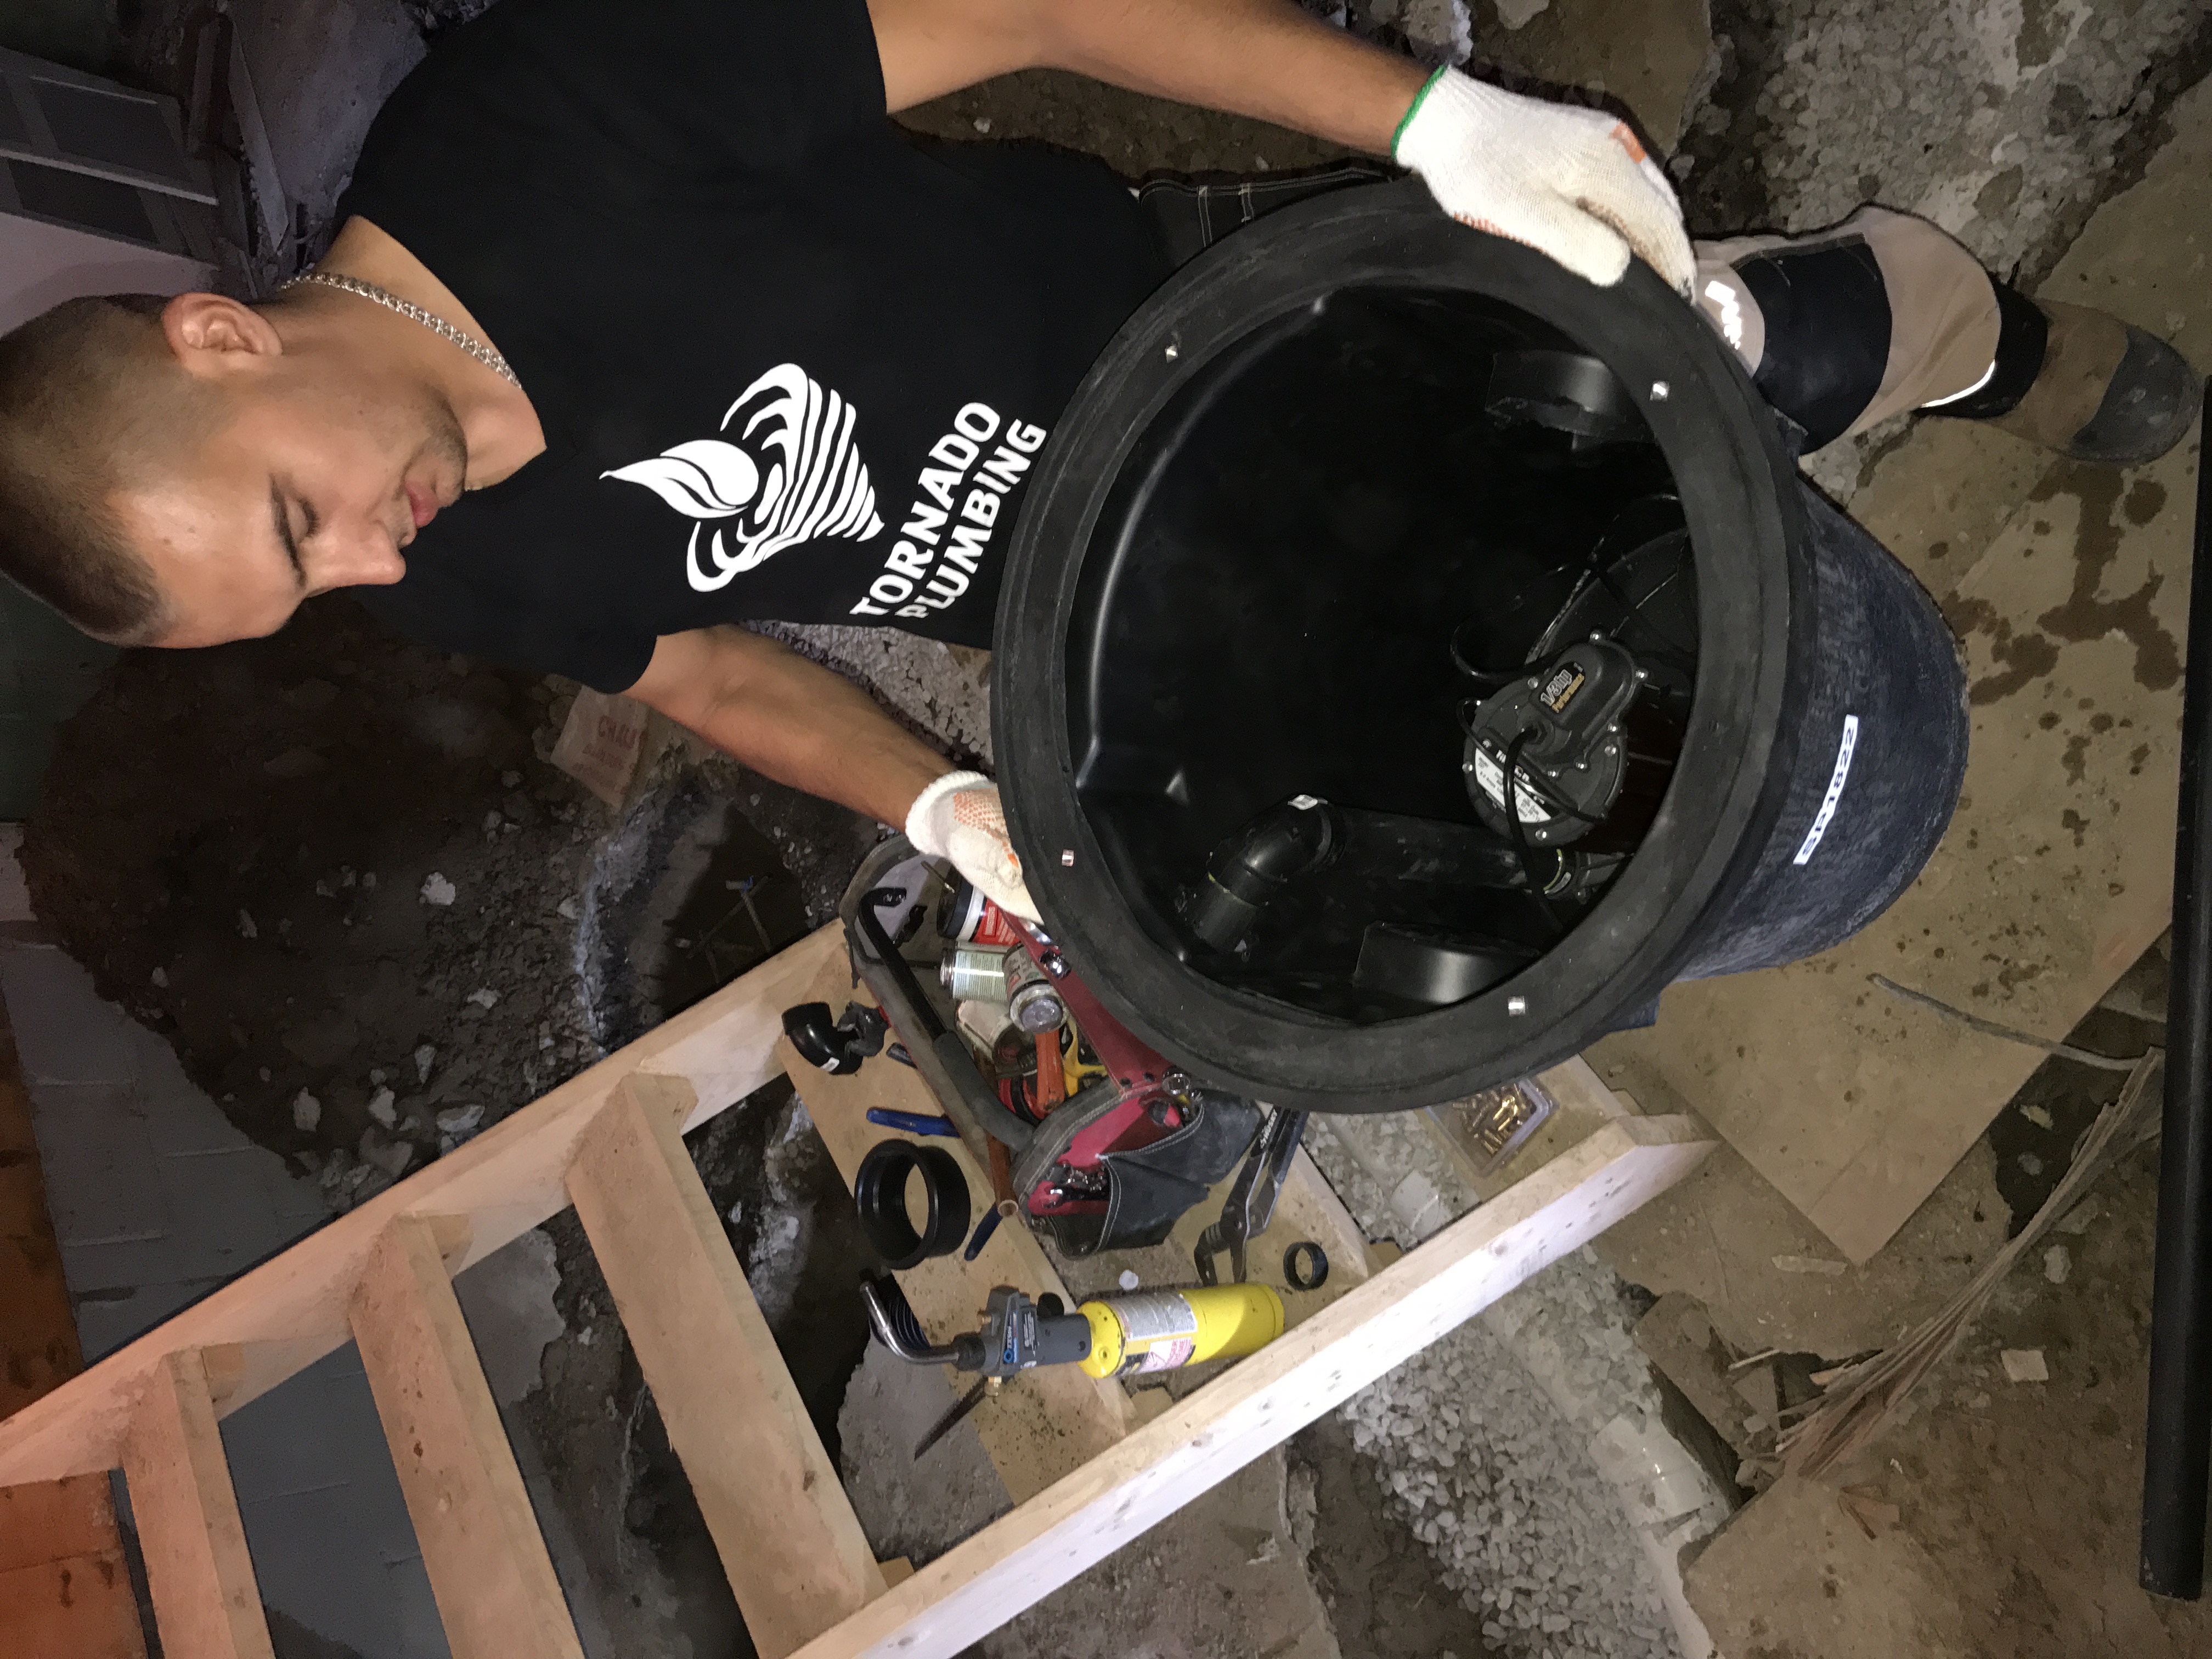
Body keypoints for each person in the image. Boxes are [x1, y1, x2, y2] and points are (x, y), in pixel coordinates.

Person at [0, 0, 2194, 923]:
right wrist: (948, 803)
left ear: (217, 336)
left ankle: (1934, 311)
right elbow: (693, 675)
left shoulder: (534, 132)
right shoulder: (454, 565)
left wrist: (1439, 125)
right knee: (1496, 690)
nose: (369, 573)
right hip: (1107, 606)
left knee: (1718, 360)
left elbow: (1027, 7)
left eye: (297, 523)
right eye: (306, 599)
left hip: (1214, 321)